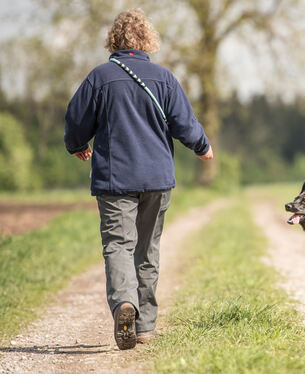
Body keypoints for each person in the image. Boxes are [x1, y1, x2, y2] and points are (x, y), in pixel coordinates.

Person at [64, 8, 213, 350]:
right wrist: (203, 146)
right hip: (157, 179)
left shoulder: (99, 78)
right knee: (147, 250)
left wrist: (77, 145)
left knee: (119, 245)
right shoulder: (164, 78)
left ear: (113, 41)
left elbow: (75, 120)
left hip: (115, 180)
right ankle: (144, 325)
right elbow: (184, 123)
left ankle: (123, 303)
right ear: (147, 40)